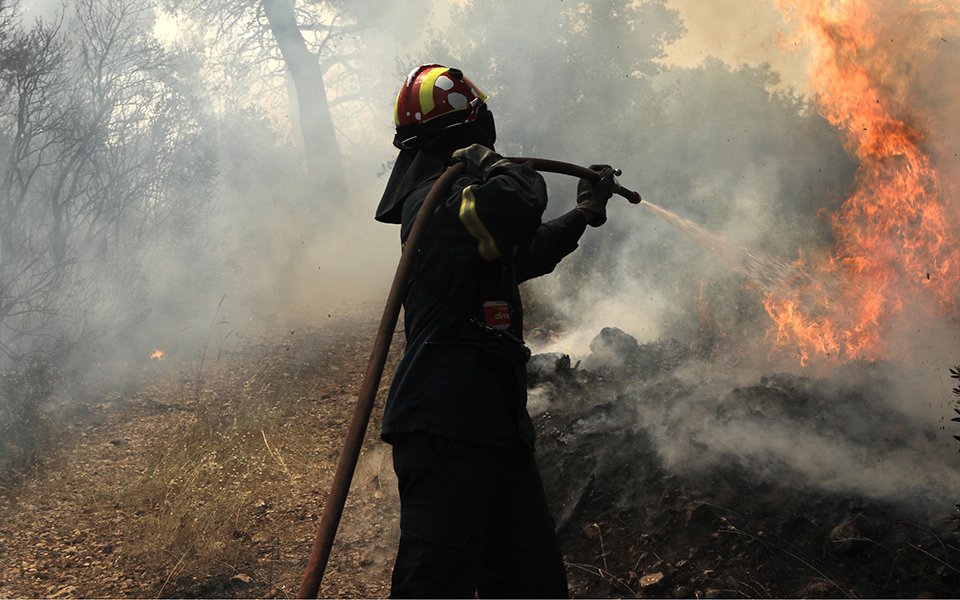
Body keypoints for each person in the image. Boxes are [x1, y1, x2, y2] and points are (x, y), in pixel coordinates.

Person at [375, 64, 615, 599]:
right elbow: (519, 200)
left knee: (533, 583)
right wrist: (499, 165)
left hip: (496, 427)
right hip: (446, 430)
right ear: (472, 126)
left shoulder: (461, 206)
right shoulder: (434, 204)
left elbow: (520, 254)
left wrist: (581, 214)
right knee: (435, 587)